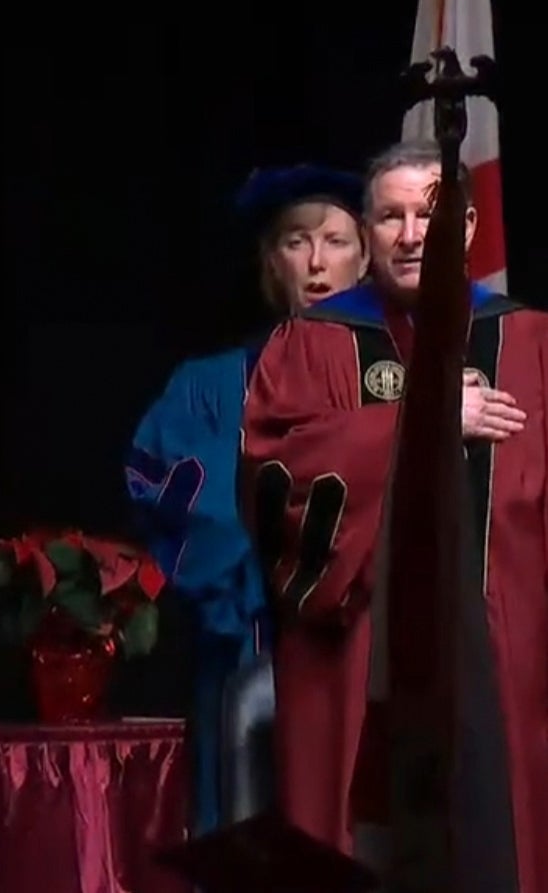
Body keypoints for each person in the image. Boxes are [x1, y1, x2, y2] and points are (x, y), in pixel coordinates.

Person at [242, 140, 547, 886]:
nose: (412, 235)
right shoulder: (312, 343)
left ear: (469, 229)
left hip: (505, 655)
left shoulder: (530, 340)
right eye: (390, 217)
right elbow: (276, 473)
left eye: (431, 216)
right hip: (361, 654)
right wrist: (429, 415)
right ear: (368, 230)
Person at [124, 164, 368, 835]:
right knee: (245, 839)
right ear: (270, 260)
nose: (317, 262)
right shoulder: (209, 386)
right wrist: (287, 570)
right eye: (296, 241)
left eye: (335, 240)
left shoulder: (393, 381)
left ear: (366, 257)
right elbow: (172, 493)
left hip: (369, 663)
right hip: (247, 654)